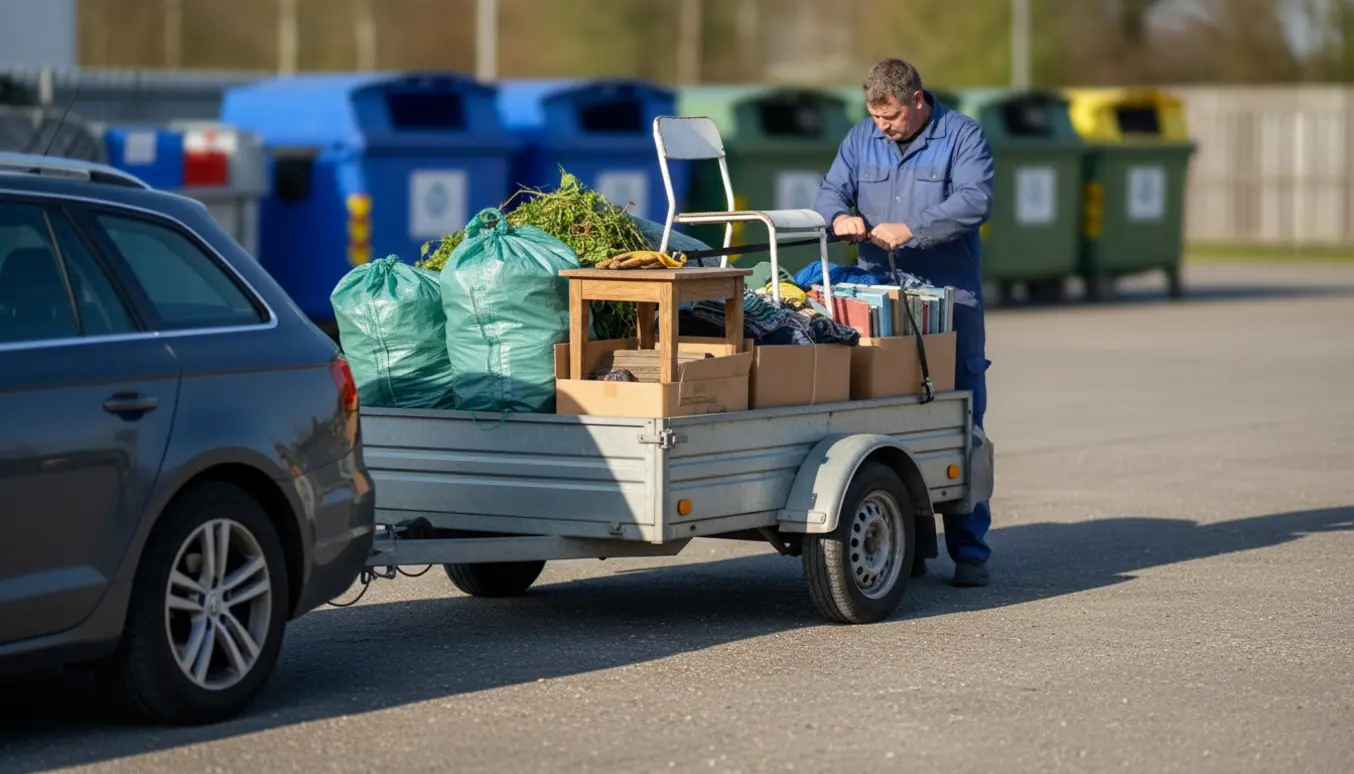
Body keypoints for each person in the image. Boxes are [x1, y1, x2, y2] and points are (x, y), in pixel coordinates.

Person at [812, 57, 995, 588]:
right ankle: (907, 545)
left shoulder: (962, 136)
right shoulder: (859, 138)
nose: (881, 127)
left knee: (961, 417)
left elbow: (974, 200)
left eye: (889, 116)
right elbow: (829, 191)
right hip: (876, 298)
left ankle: (971, 550)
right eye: (874, 117)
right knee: (882, 418)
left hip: (948, 302)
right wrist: (837, 216)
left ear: (917, 100)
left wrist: (911, 229)